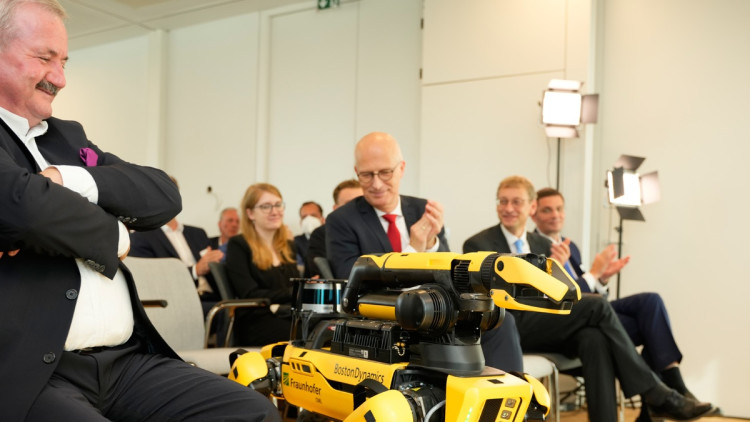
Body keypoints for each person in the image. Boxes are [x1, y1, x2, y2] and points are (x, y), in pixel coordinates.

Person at [0, 1, 279, 420]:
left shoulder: (68, 138)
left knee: (250, 412)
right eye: (44, 58)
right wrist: (116, 233)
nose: (59, 78)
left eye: (64, 62)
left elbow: (162, 193)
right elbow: (24, 210)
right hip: (36, 369)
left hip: (127, 362)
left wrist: (68, 180)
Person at [462, 175, 714, 422]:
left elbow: (560, 295)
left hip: (548, 322)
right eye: (502, 201)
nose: (508, 208)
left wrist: (559, 277)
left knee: (593, 338)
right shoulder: (478, 244)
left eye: (516, 202)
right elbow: (500, 298)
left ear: (531, 206)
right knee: (597, 305)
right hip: (512, 327)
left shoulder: (543, 243)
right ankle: (656, 393)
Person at [531, 187, 710, 419]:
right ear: (534, 214)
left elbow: (590, 292)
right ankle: (665, 397)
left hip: (594, 313)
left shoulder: (570, 246)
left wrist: (602, 278)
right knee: (648, 329)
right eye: (547, 210)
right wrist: (594, 274)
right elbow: (561, 300)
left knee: (650, 304)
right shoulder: (533, 247)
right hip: (565, 323)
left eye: (559, 209)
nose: (555, 214)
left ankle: (670, 384)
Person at [128, 176, 224, 314]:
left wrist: (219, 261)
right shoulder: (141, 237)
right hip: (177, 303)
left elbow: (215, 271)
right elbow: (154, 279)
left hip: (213, 297)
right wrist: (195, 270)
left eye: (172, 194)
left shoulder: (198, 233)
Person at [225, 183, 299, 346]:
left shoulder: (288, 246)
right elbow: (250, 294)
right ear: (250, 213)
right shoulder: (239, 245)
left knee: (328, 330)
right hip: (256, 320)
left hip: (287, 314)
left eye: (278, 204)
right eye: (266, 206)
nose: (275, 211)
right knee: (306, 335)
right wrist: (293, 292)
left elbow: (294, 290)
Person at [303, 178, 362, 278]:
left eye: (360, 203)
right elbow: (322, 274)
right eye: (349, 204)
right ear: (335, 208)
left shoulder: (374, 230)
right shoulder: (321, 234)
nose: (355, 209)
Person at [293, 200, 324, 270]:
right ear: (301, 222)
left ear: (322, 219)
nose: (309, 219)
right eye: (304, 217)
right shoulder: (294, 243)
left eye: (313, 215)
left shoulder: (331, 240)